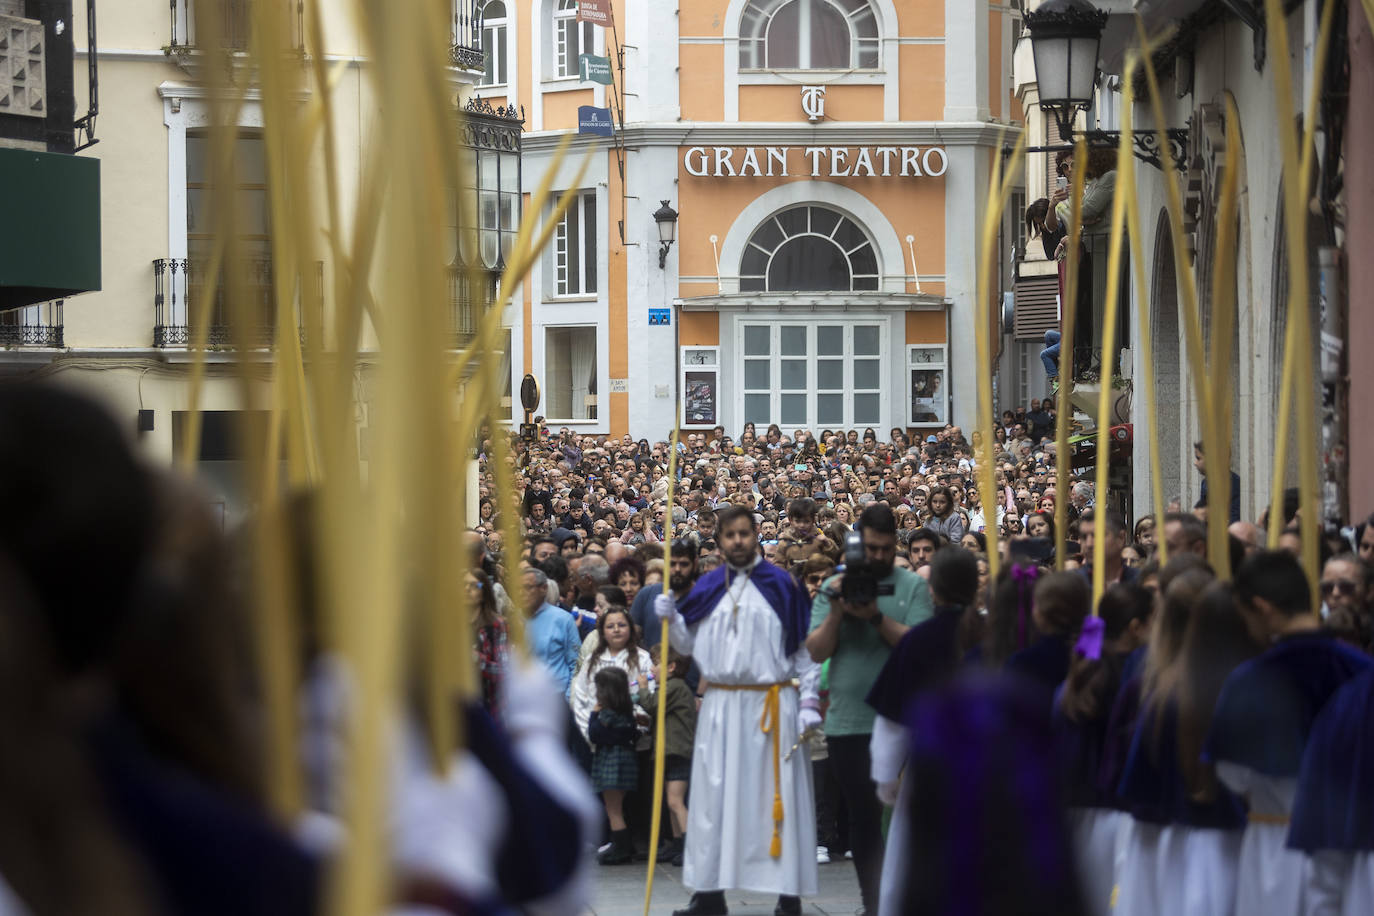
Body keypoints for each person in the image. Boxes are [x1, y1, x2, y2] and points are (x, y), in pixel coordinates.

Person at [654, 504, 820, 916]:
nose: (739, 541)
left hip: (773, 703)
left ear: (756, 535)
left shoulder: (783, 585)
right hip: (723, 706)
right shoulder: (709, 587)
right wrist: (672, 617)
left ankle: (789, 895)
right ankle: (709, 895)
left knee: (777, 798)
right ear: (720, 541)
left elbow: (803, 650)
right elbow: (689, 645)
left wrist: (810, 701)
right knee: (714, 798)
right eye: (731, 536)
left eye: (745, 533)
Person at [1204, 550, 1374, 916]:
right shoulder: (1361, 671)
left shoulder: (1250, 679)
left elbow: (1232, 774)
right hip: (1351, 841)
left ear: (1262, 607)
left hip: (1273, 846)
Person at [805, 503, 934, 914]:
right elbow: (815, 651)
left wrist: (875, 617)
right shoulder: (834, 587)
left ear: (894, 542)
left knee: (907, 819)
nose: (877, 557)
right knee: (863, 818)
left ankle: (907, 899)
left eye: (884, 549)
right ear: (860, 543)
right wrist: (839, 614)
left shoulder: (911, 586)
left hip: (903, 721)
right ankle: (874, 902)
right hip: (848, 723)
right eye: (871, 549)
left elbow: (919, 649)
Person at [864, 546, 980, 916]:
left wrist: (885, 778)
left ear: (936, 590)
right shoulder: (998, 633)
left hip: (932, 769)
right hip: (994, 772)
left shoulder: (919, 639)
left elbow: (893, 718)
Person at [637, 644, 698, 868]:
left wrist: (643, 688)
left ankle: (689, 845)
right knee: (670, 800)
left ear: (671, 667)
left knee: (675, 801)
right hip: (669, 749)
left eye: (656, 663)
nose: (652, 669)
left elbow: (653, 705)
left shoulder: (673, 687)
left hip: (677, 750)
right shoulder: (672, 687)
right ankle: (676, 842)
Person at [588, 668, 641, 866]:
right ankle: (624, 845)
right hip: (626, 761)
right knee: (619, 807)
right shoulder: (627, 713)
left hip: (611, 763)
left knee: (613, 810)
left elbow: (594, 734)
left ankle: (620, 850)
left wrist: (594, 714)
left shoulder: (606, 714)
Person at [521, 567, 580, 695]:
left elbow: (575, 663)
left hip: (556, 696)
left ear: (544, 589)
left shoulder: (563, 619)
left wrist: (568, 697)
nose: (521, 593)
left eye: (527, 588)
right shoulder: (512, 620)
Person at [1195, 441, 1242, 525]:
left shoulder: (1233, 483)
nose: (1195, 463)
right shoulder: (1205, 483)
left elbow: (1234, 521)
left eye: (1199, 458)